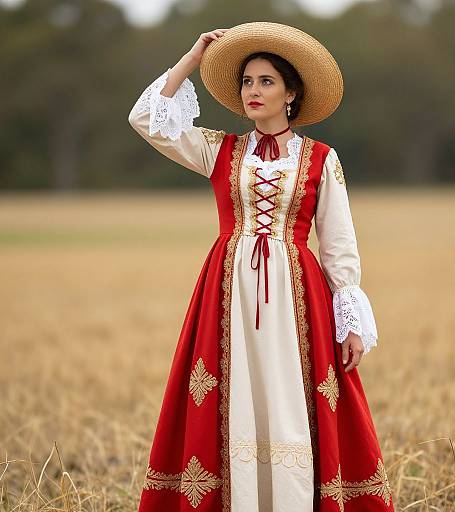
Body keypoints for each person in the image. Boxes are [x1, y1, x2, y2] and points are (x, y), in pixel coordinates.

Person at [128, 21, 393, 512]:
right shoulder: (219, 150)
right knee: (231, 393)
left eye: (266, 81)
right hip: (227, 289)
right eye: (247, 82)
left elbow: (338, 244)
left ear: (291, 94)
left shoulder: (320, 159)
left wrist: (350, 319)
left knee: (292, 397)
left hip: (298, 294)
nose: (253, 91)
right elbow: (146, 119)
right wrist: (192, 57)